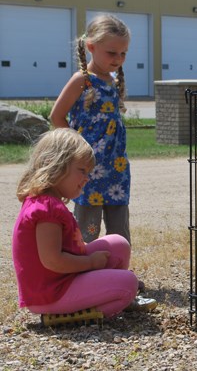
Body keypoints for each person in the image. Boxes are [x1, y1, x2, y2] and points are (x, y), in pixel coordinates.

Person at [12, 129, 156, 322]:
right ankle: (69, 314)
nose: (87, 178)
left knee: (118, 244)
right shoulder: (45, 209)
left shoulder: (49, 203)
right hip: (50, 294)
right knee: (128, 284)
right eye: (81, 170)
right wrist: (90, 263)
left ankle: (107, 296)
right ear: (56, 165)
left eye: (88, 172)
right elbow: (53, 261)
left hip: (61, 281)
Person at [50, 13, 131, 247]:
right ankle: (84, 271)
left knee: (119, 225)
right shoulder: (82, 81)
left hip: (116, 168)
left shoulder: (113, 81)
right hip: (89, 169)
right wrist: (76, 148)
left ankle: (118, 272)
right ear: (91, 47)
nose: (118, 58)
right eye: (112, 52)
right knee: (88, 227)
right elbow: (56, 116)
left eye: (123, 53)